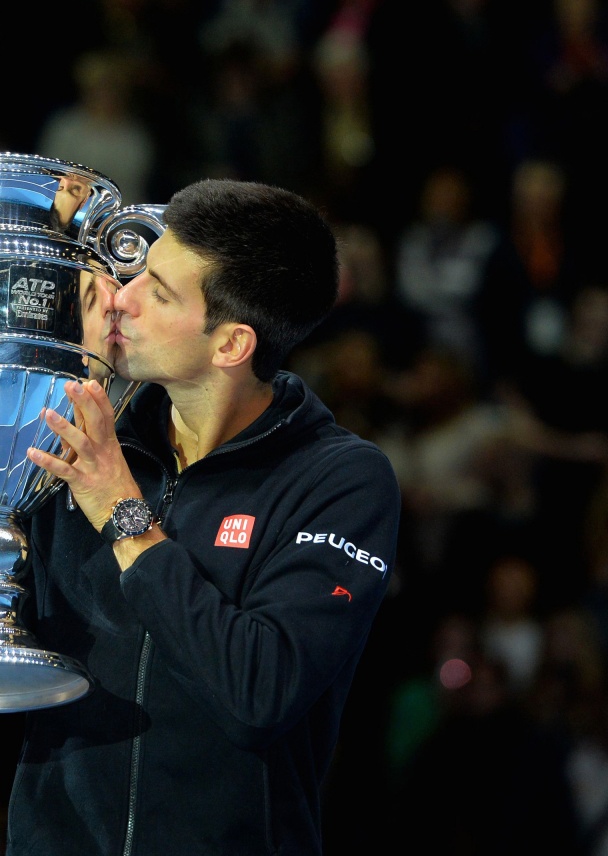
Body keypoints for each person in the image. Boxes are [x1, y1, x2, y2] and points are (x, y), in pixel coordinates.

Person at [5, 178, 401, 856]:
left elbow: (259, 693)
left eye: (157, 292)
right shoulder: (85, 431)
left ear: (230, 345)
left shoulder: (340, 480)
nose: (119, 300)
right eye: (139, 273)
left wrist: (123, 513)